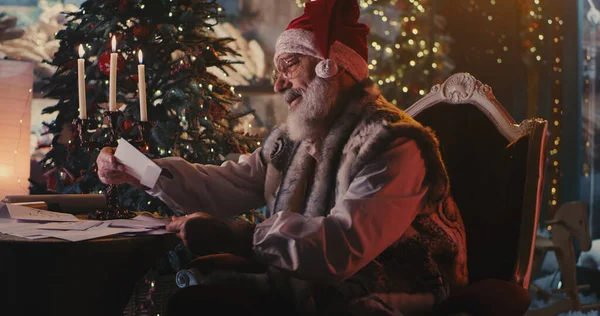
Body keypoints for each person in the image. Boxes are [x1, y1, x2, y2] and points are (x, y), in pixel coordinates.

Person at [96, 0, 468, 314]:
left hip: (389, 299)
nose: (277, 85)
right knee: (194, 304)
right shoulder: (296, 138)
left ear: (330, 64)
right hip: (309, 293)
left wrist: (239, 237)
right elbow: (229, 183)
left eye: (289, 65)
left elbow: (342, 247)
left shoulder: (394, 144)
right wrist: (140, 170)